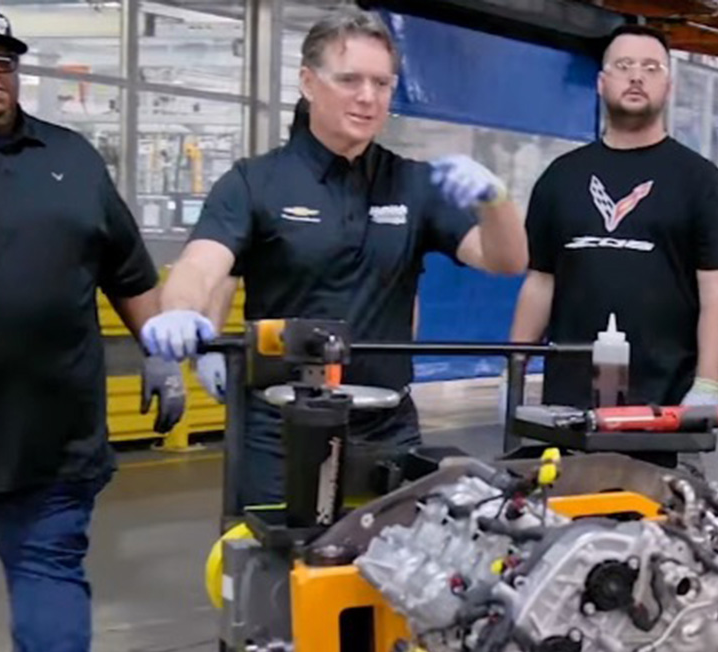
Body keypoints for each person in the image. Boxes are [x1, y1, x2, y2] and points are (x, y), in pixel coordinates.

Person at [139, 8, 528, 507]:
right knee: (277, 572)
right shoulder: (254, 182)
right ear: (308, 81)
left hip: (388, 427)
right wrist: (179, 312)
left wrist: (496, 201)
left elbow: (507, 261)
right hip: (280, 428)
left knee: (394, 571)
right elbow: (200, 265)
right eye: (349, 80)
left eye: (382, 83)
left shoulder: (413, 184)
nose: (368, 97)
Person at [0, 11, 180, 652]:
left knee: (50, 598)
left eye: (3, 61)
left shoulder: (72, 159)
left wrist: (162, 354)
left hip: (52, 441)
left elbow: (130, 274)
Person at [509, 24, 718, 411]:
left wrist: (707, 385)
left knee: (663, 477)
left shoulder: (701, 181)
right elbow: (540, 282)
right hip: (569, 405)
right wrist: (513, 370)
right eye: (624, 65)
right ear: (601, 83)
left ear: (669, 87)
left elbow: (717, 294)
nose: (637, 76)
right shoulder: (560, 177)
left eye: (652, 68)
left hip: (665, 406)